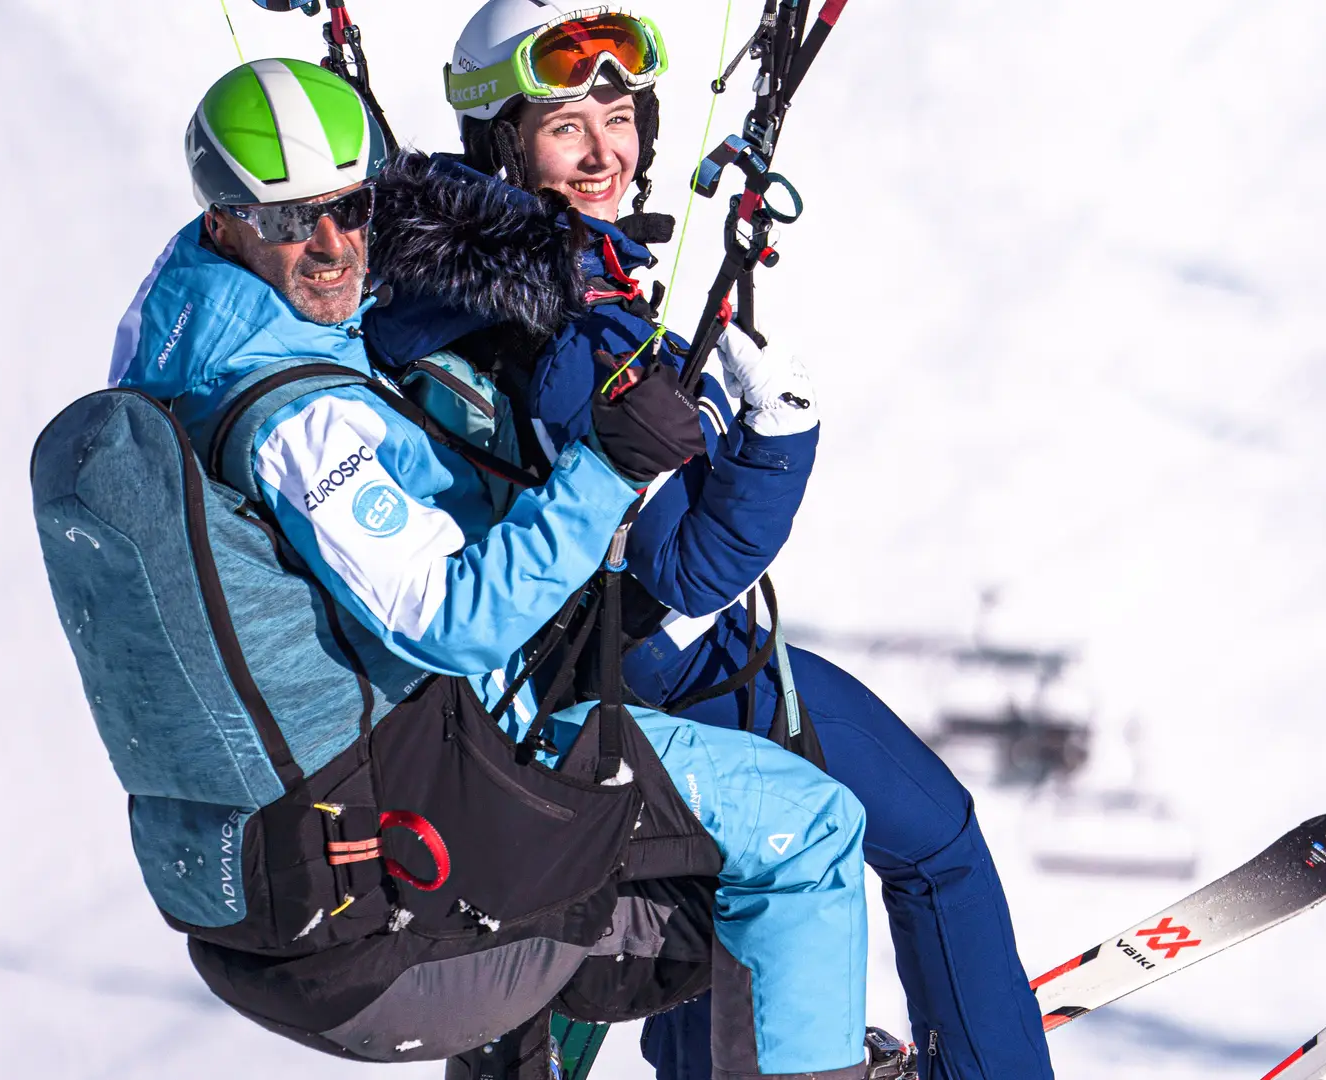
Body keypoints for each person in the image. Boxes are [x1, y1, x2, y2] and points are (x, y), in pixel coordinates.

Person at [94, 57, 872, 1080]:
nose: (332, 247)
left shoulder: (176, 333)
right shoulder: (296, 417)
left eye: (350, 208)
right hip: (430, 831)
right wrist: (610, 466)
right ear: (228, 220)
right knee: (811, 831)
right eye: (292, 222)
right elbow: (453, 620)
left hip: (331, 829)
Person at [363, 4, 1058, 1077]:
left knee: (724, 905)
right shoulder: (565, 323)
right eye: (565, 125)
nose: (605, 150)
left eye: (618, 113)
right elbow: (692, 562)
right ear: (503, 140)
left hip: (549, 676)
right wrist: (781, 433)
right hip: (655, 676)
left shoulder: (444, 286)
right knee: (938, 848)